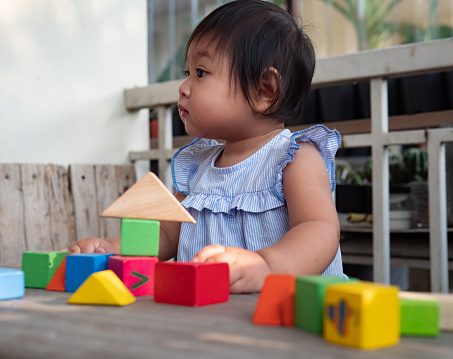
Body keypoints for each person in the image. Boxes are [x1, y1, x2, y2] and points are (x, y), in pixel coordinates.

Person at [69, 0, 345, 293]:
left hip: (284, 315)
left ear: (264, 89)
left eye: (200, 73)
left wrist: (265, 265)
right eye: (187, 72)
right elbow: (166, 234)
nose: (184, 87)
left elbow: (319, 229)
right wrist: (115, 249)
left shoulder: (294, 159)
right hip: (208, 313)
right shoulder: (197, 167)